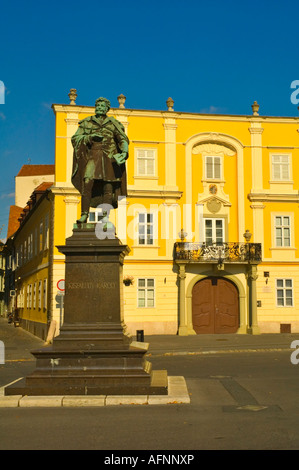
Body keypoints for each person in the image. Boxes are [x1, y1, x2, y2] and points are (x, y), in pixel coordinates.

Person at [71, 97, 129, 223]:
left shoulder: (114, 123)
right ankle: (84, 214)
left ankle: (105, 217)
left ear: (107, 109)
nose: (100, 108)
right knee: (87, 182)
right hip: (93, 156)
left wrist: (124, 151)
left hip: (109, 157)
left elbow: (123, 139)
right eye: (98, 106)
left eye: (102, 106)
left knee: (108, 187)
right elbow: (75, 138)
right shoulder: (87, 122)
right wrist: (90, 137)